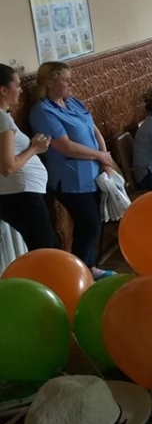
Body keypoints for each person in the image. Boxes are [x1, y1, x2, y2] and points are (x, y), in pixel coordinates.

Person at [29, 62, 116, 278]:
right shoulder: (42, 111)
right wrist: (99, 156)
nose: (72, 83)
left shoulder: (73, 102)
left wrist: (105, 158)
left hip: (94, 174)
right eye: (66, 80)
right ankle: (78, 273)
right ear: (50, 83)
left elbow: (93, 129)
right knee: (90, 225)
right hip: (70, 179)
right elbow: (65, 146)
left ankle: (88, 267)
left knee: (92, 224)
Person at [0, 63, 57, 251]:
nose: (21, 90)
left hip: (16, 194)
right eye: (17, 85)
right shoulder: (3, 120)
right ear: (3, 90)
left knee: (47, 245)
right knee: (45, 251)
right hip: (22, 195)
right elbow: (8, 167)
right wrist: (34, 148)